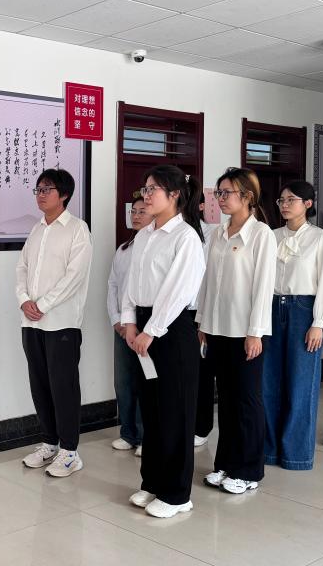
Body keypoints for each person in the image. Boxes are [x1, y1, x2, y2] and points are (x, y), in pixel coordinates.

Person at [120, 165, 205, 518]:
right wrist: (129, 322)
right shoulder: (144, 235)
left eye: (153, 188)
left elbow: (178, 291)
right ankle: (152, 482)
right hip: (143, 326)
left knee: (175, 413)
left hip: (171, 330)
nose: (146, 195)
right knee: (152, 410)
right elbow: (131, 283)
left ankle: (177, 494)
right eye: (145, 188)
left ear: (174, 195)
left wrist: (151, 330)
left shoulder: (186, 237)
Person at [196, 167, 276, 495]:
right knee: (226, 401)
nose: (221, 198)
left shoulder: (262, 235)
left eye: (226, 192)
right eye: (219, 193)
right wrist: (202, 322)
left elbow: (263, 287)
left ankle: (248, 470)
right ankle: (226, 464)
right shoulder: (217, 233)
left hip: (246, 332)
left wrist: (255, 332)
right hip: (217, 329)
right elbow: (206, 281)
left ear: (247, 196)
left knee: (247, 400)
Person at [17, 169, 93, 478]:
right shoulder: (36, 230)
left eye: (47, 189)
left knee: (64, 387)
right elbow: (21, 268)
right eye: (38, 189)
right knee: (40, 384)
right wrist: (24, 300)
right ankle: (49, 443)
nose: (40, 194)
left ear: (64, 194)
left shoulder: (77, 229)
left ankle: (70, 452)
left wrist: (43, 305)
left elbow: (74, 277)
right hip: (31, 322)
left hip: (62, 323)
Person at [263, 181, 323, 470]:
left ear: (307, 204)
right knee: (268, 382)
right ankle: (269, 450)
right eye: (281, 200)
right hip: (270, 308)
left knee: (300, 383)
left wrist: (319, 323)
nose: (284, 205)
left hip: (303, 309)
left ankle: (296, 455)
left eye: (291, 199)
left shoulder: (321, 238)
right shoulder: (271, 236)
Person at [108, 196, 154, 457]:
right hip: (122, 327)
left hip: (145, 327)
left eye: (142, 211)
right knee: (124, 382)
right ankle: (128, 433)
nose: (135, 216)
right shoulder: (124, 249)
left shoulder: (156, 246)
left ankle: (147, 435)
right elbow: (113, 285)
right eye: (133, 211)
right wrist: (117, 319)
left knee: (146, 381)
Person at [194, 193, 217, 447]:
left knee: (202, 372)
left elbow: (208, 276)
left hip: (200, 311)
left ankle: (202, 427)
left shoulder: (211, 233)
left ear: (202, 205)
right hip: (175, 312)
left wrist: (203, 316)